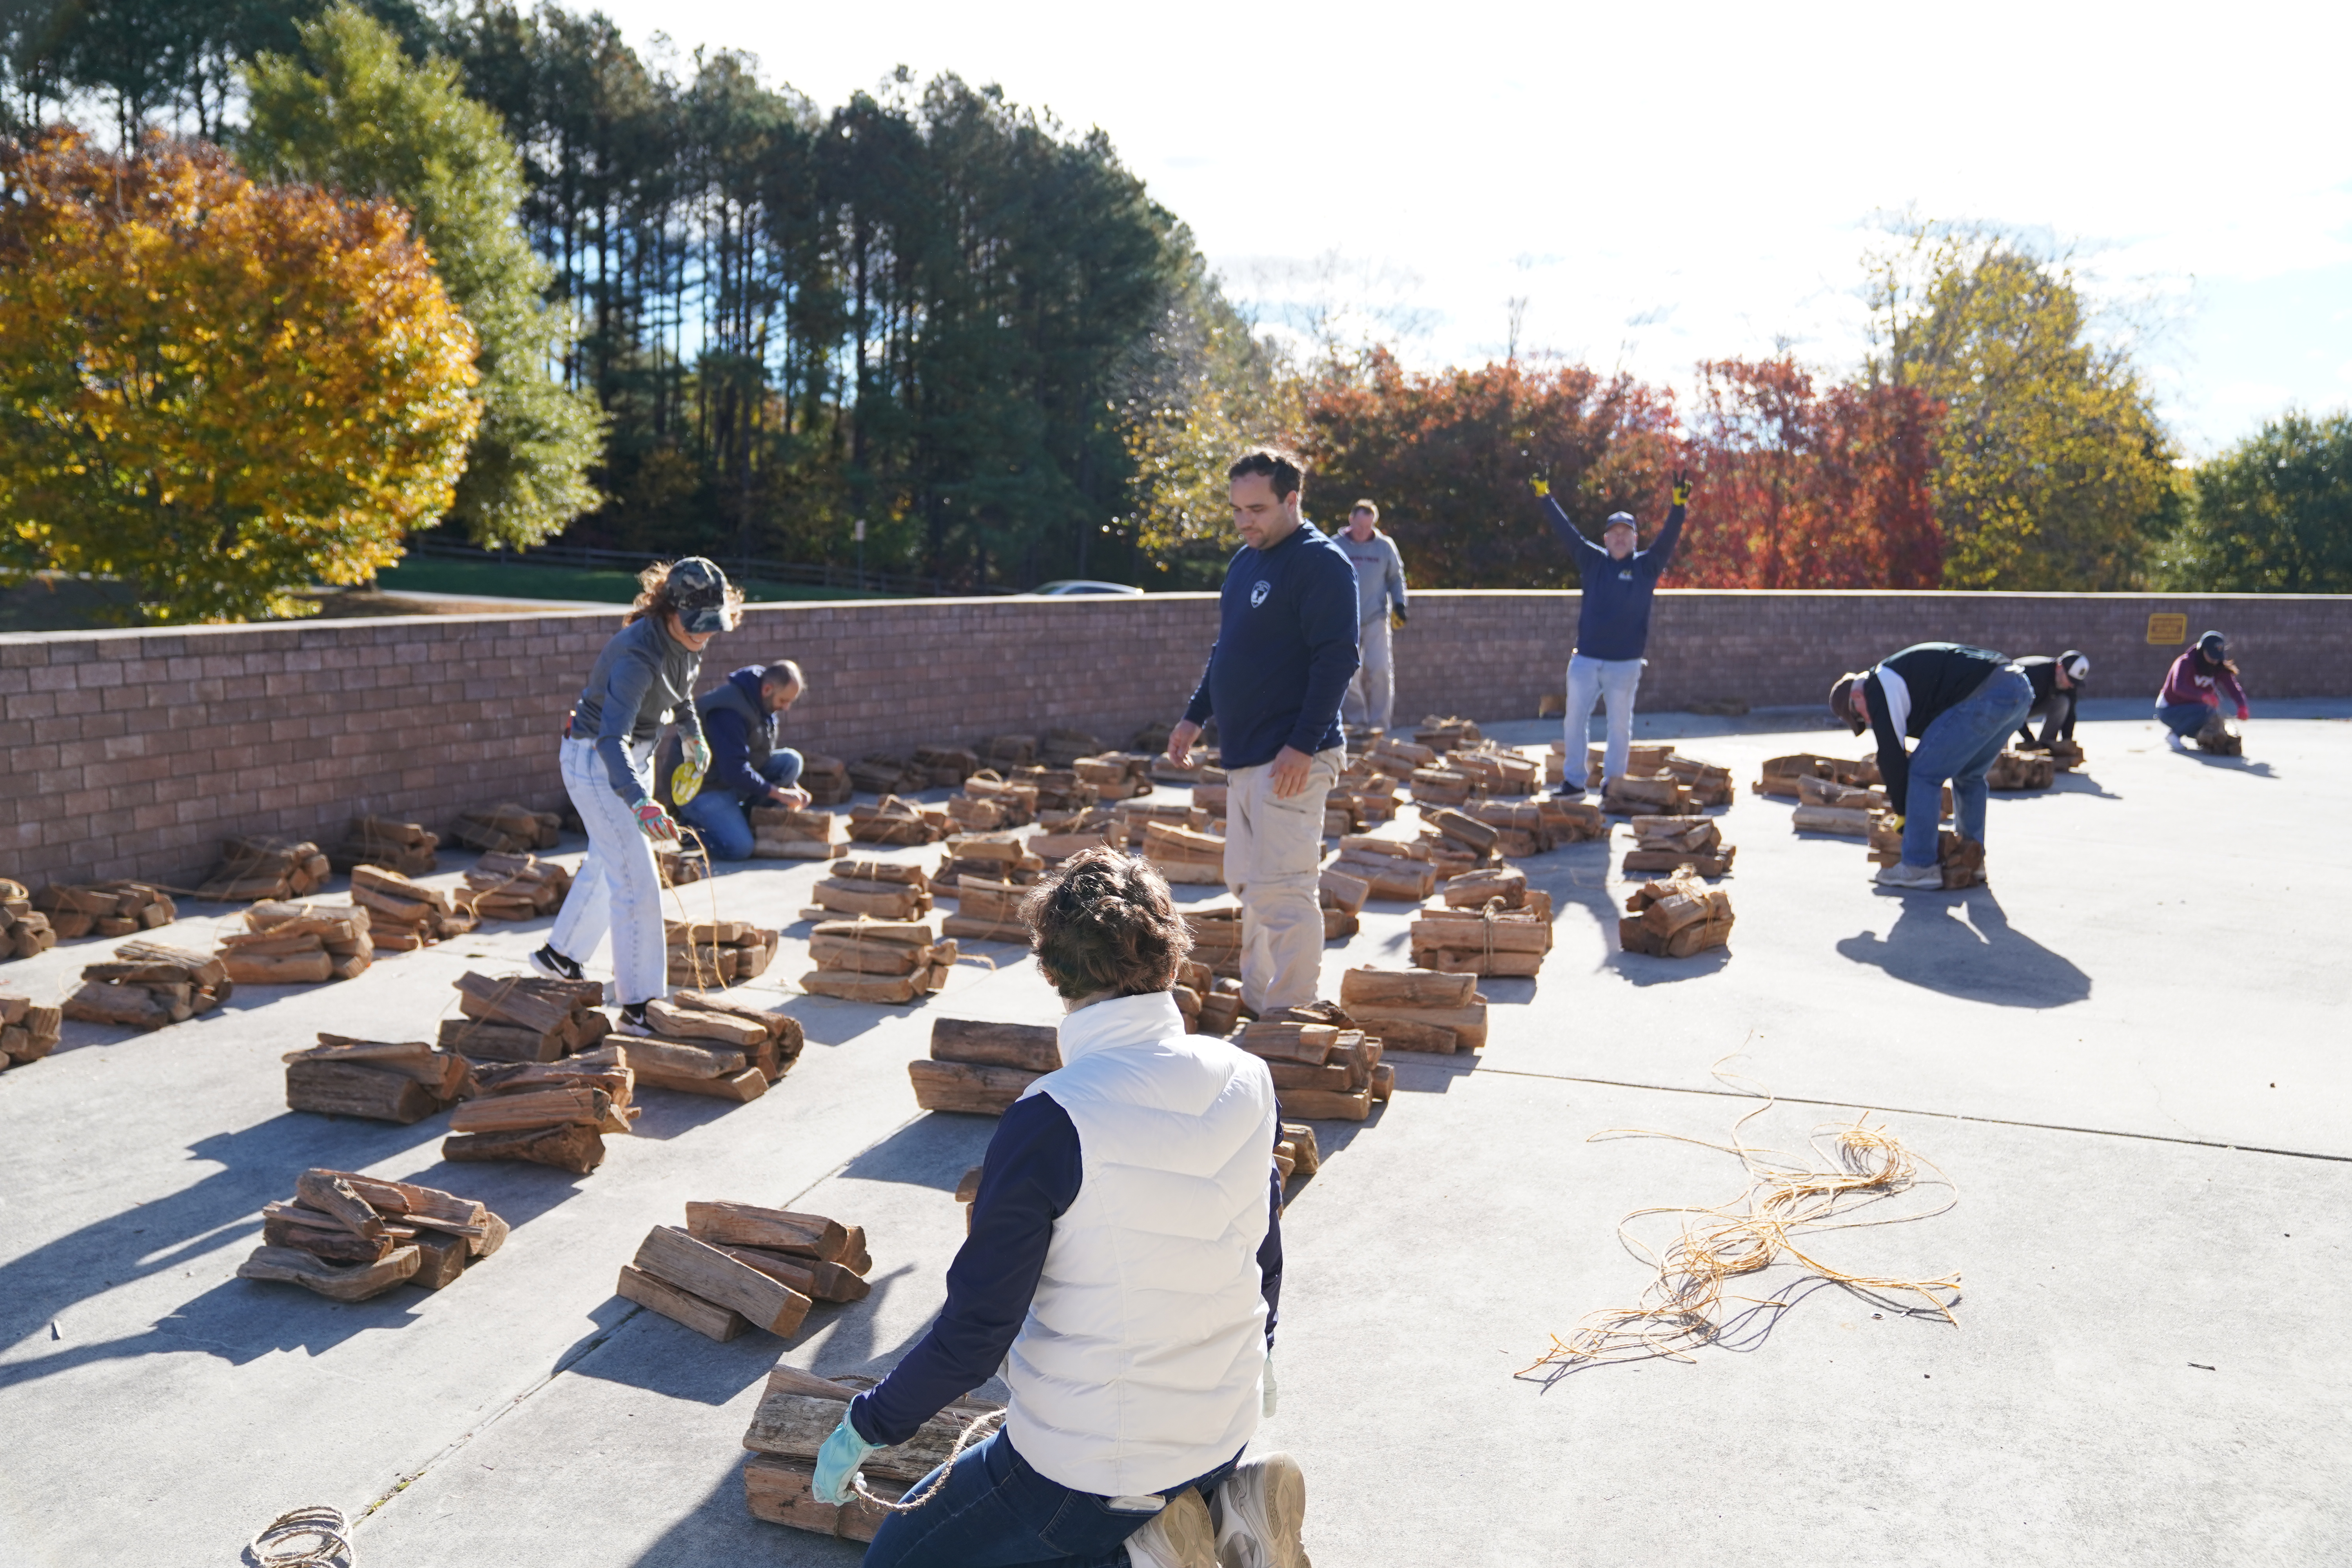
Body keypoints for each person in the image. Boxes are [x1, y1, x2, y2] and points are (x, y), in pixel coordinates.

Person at [811, 846, 1306, 1568]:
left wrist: (867, 1423)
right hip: (1224, 1430)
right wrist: (1260, 1355)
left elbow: (978, 1332)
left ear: (1051, 970)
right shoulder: (1249, 1077)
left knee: (900, 1560)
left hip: (1091, 1473)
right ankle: (1224, 1512)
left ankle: (1137, 1560)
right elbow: (1265, 1253)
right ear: (1171, 956)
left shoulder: (1049, 1119)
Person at [1165, 448, 1358, 1018]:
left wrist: (1302, 744)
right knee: (1250, 884)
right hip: (1246, 754)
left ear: (1292, 500)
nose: (1245, 520)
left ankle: (1292, 1013)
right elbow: (1228, 649)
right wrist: (1194, 715)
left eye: (1257, 509)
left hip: (1295, 755)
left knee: (1285, 890)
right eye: (1236, 510)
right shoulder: (1244, 561)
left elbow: (1338, 659)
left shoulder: (1321, 563)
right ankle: (1259, 1000)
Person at [530, 558, 739, 1032]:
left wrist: (692, 735)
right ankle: (640, 1006)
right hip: (598, 764)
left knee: (609, 862)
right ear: (671, 609)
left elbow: (679, 692)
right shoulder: (636, 656)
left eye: (712, 627)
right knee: (637, 880)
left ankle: (559, 956)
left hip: (633, 762)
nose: (704, 637)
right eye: (697, 627)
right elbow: (610, 741)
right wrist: (639, 800)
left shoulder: (688, 638)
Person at [1530, 466, 1691, 787]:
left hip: (1625, 665)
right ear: (1606, 539)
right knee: (1574, 720)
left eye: (1626, 533)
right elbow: (1566, 531)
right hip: (1586, 660)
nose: (1620, 538)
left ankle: (1614, 784)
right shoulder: (1592, 561)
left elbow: (1669, 538)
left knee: (1620, 725)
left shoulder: (1647, 566)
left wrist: (1678, 507)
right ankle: (1574, 781)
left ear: (1634, 539)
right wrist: (1545, 497)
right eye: (1614, 533)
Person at [1829, 642, 2033, 889]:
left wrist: (1904, 813)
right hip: (2018, 691)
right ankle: (1974, 859)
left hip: (1986, 694)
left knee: (1923, 774)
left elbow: (1892, 755)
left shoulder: (1878, 686)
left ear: (1857, 697)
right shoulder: (1897, 679)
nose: (1869, 721)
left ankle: (1919, 867)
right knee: (1970, 775)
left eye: (1860, 717)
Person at [655, 660, 809, 860]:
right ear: (768, 689)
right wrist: (780, 794)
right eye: (783, 701)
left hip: (726, 780)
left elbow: (759, 756)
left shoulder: (763, 705)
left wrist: (793, 788)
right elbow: (735, 770)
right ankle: (689, 832)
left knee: (791, 762)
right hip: (698, 788)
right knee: (740, 848)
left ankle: (740, 823)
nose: (787, 707)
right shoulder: (729, 711)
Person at [1334, 499, 1408, 733]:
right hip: (1345, 621)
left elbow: (1396, 578)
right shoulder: (1335, 545)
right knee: (1349, 675)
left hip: (1376, 618)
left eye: (1368, 527)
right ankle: (1358, 725)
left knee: (1381, 671)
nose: (1363, 532)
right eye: (1359, 526)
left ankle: (1379, 727)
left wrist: (1400, 604)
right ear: (1351, 520)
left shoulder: (1385, 547)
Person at [2156, 630, 2250, 751]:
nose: (2215, 661)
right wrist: (2203, 697)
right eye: (2211, 656)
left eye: (2218, 657)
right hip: (2168, 709)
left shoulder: (2218, 667)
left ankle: (2197, 738)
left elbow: (2233, 688)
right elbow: (2178, 688)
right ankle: (2174, 736)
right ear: (2202, 650)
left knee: (2212, 722)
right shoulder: (2185, 663)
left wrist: (2242, 706)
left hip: (2192, 709)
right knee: (2207, 710)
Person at [2012, 650, 2089, 750]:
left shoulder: (2069, 684)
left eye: (2074, 682)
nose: (2072, 685)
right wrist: (2030, 740)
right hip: (2003, 704)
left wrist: (2067, 744)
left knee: (2063, 702)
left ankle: (2046, 745)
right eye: (2070, 680)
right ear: (2059, 668)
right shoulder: (2036, 675)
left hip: (2029, 706)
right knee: (2002, 726)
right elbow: (2015, 710)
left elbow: (2070, 715)